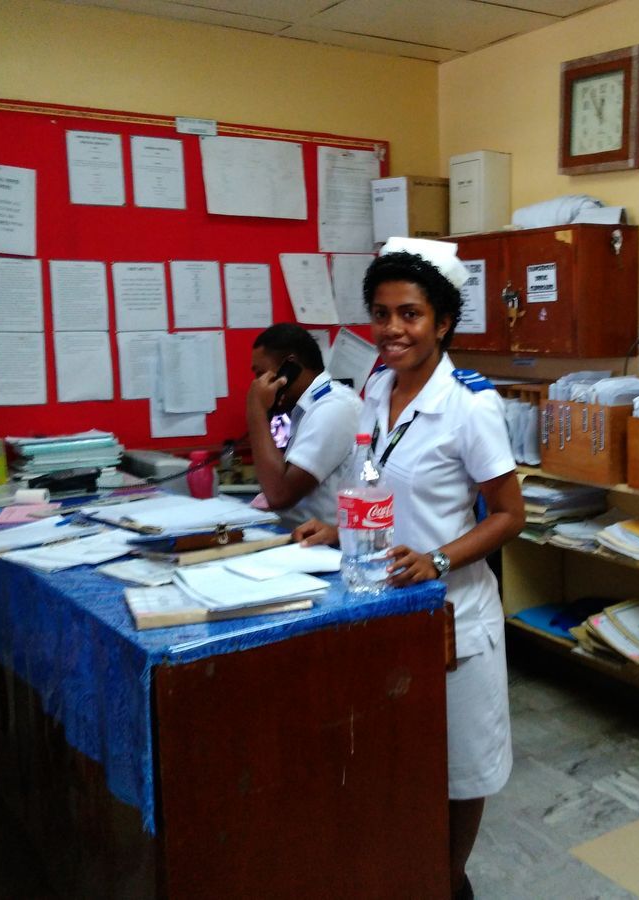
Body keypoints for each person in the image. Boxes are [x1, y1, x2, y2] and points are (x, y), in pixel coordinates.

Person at [293, 237, 525, 899]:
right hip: (383, 605)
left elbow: (510, 515)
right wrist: (340, 529)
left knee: (462, 768)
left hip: (453, 615)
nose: (392, 328)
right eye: (381, 313)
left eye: (410, 314)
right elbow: (379, 482)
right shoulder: (375, 389)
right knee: (402, 758)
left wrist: (438, 558)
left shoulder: (470, 406)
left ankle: (448, 883)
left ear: (442, 322)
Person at [247, 323, 361, 528]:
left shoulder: (333, 407)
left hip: (325, 540)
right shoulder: (307, 407)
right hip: (297, 532)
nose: (257, 384)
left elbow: (279, 495)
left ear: (289, 368)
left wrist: (257, 411)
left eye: (260, 373)